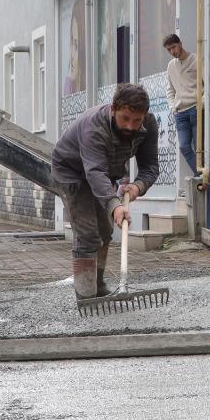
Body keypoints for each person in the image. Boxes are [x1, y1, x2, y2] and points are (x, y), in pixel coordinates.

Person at [52, 83, 160, 301]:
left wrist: (138, 186)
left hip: (103, 174)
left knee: (104, 232)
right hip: (72, 172)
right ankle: (85, 296)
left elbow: (150, 167)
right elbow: (94, 172)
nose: (130, 126)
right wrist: (115, 206)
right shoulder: (95, 127)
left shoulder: (148, 124)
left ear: (144, 115)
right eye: (125, 119)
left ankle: (98, 285)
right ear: (113, 109)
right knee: (88, 234)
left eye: (136, 121)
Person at [164, 34, 200, 175]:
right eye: (169, 50)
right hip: (180, 113)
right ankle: (200, 177)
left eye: (173, 47)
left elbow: (206, 83)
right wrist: (172, 107)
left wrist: (201, 103)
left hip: (196, 109)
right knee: (184, 147)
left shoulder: (196, 59)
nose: (172, 52)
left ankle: (203, 180)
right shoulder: (171, 66)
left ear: (180, 43)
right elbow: (170, 89)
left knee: (199, 149)